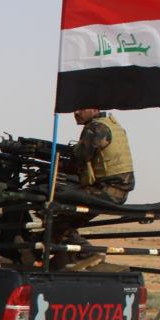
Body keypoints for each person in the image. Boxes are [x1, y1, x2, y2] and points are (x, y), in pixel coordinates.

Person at [56, 108, 136, 269]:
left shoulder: (95, 127)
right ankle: (62, 256)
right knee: (65, 219)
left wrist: (57, 164)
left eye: (81, 108)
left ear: (95, 109)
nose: (76, 113)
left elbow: (78, 162)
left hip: (107, 190)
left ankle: (87, 253)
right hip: (117, 190)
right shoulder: (113, 125)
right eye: (75, 109)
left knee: (57, 214)